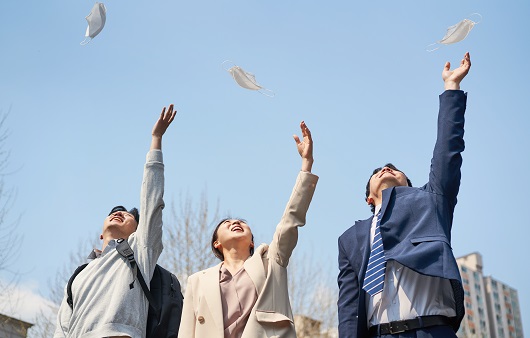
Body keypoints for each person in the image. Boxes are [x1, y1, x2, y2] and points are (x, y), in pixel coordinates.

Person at [337, 52, 471, 338]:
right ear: (368, 199)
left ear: (409, 185)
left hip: (432, 329)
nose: (386, 168)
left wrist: (451, 88)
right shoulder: (349, 239)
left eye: (395, 170)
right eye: (377, 172)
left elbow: (447, 152)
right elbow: (348, 306)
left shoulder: (430, 200)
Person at [178, 121, 318, 338]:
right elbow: (187, 332)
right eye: (226, 223)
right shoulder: (197, 281)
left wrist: (306, 164)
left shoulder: (271, 262)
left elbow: (291, 220)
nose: (235, 223)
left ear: (252, 241)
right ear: (217, 243)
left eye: (241, 222)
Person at [54, 104, 177, 338]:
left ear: (139, 231)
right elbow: (62, 328)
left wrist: (156, 139)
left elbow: (152, 199)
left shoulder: (141, 252)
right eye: (113, 211)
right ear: (101, 234)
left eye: (128, 215)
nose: (118, 212)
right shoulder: (79, 273)